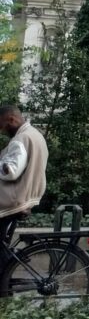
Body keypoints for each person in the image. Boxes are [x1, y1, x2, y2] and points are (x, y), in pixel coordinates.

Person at [0, 105, 48, 248]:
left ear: (11, 119)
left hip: (13, 200)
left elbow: (11, 171)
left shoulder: (21, 139)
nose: (2, 131)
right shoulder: (35, 134)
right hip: (27, 197)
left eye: (2, 126)